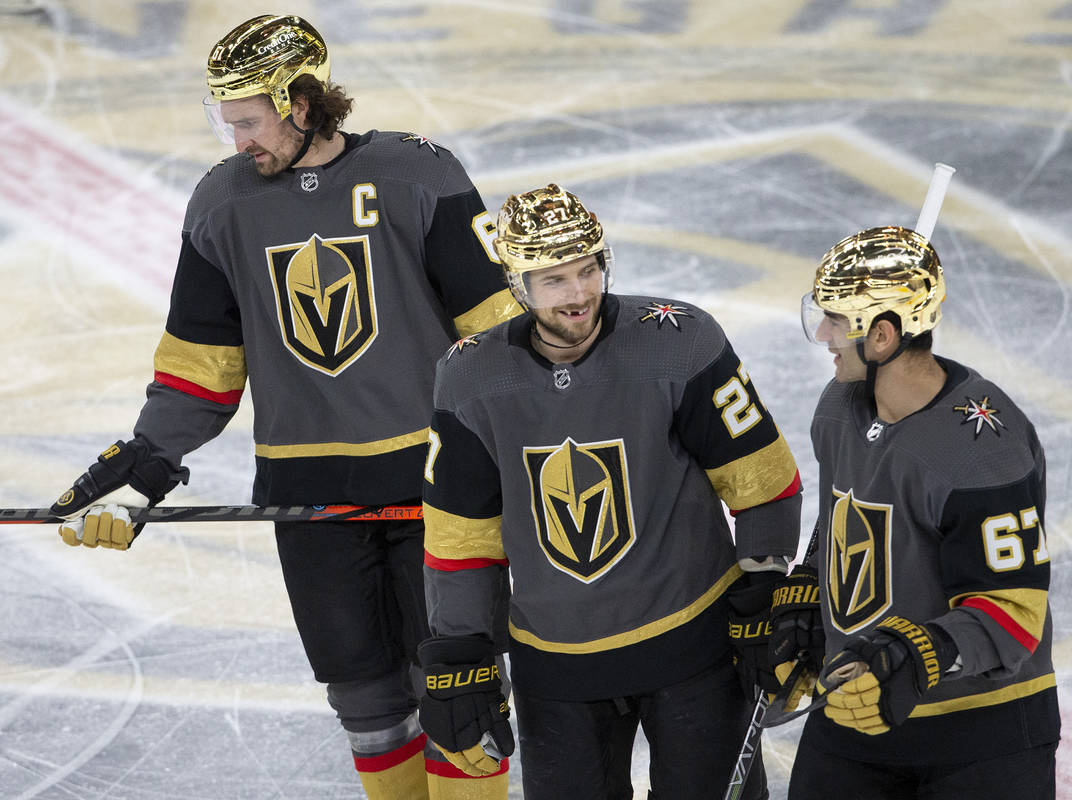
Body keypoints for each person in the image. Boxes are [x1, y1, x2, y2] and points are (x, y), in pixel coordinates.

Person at [47, 14, 519, 800]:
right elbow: (203, 366)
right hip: (311, 498)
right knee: (364, 698)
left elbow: (499, 339)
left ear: (301, 102)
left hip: (440, 490)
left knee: (458, 691)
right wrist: (147, 464)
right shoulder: (221, 204)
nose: (237, 142)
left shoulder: (419, 176)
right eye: (224, 123)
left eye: (248, 121)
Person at [416, 183, 806, 799]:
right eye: (554, 281)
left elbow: (762, 478)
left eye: (587, 270)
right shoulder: (469, 376)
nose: (578, 295)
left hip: (695, 649)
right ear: (517, 286)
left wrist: (764, 585)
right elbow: (461, 535)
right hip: (556, 667)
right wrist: (460, 650)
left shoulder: (680, 341)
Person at [775, 225, 1060, 799]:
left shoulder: (982, 449)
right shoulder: (838, 409)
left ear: (881, 336)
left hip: (983, 732)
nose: (825, 334)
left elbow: (1011, 611)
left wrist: (917, 653)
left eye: (836, 319)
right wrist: (811, 587)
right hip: (854, 708)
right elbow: (845, 521)